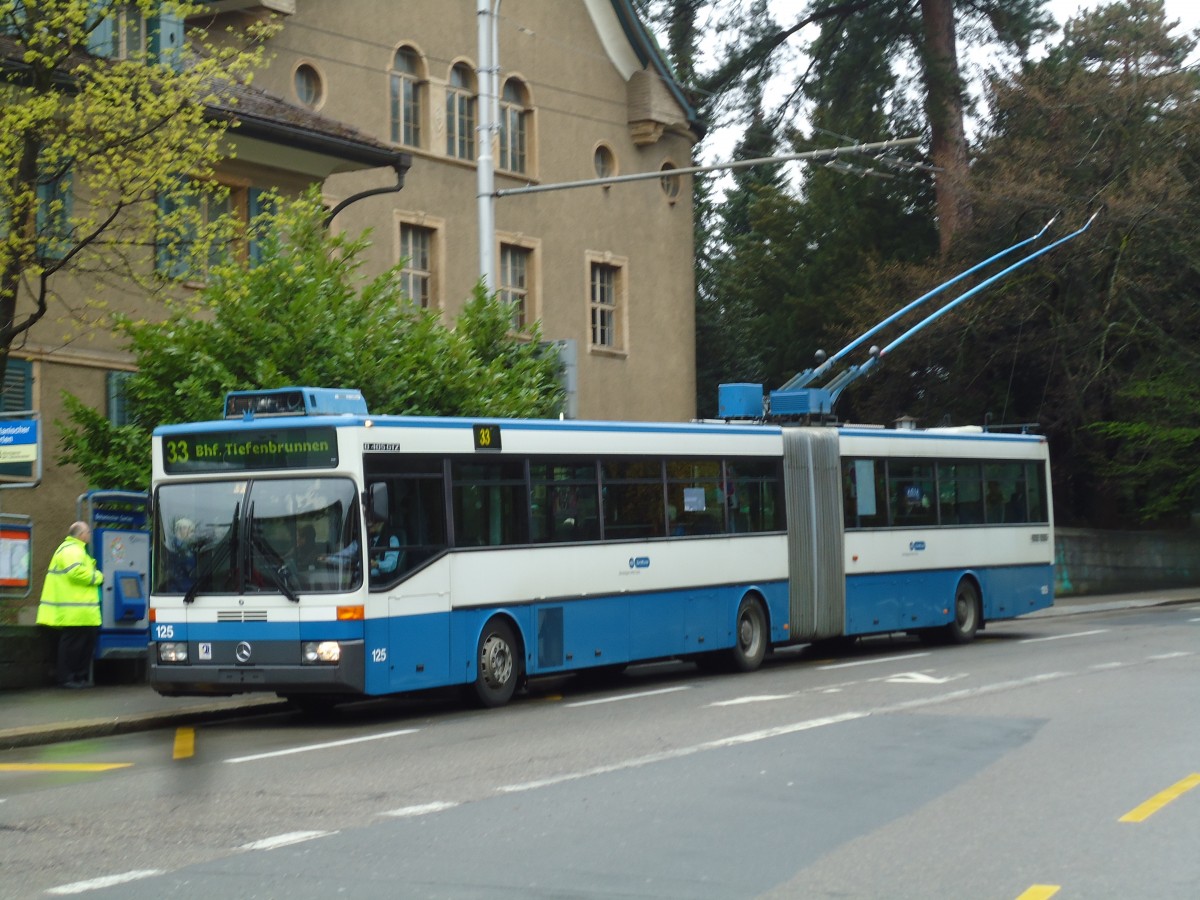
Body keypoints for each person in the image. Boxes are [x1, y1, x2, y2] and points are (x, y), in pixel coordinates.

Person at [36, 521, 104, 689]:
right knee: (73, 647)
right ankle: (67, 678)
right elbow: (76, 572)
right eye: (87, 531)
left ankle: (79, 677)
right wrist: (98, 577)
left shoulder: (77, 550)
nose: (89, 534)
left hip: (83, 610)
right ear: (80, 534)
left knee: (83, 646)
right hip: (75, 610)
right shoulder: (71, 550)